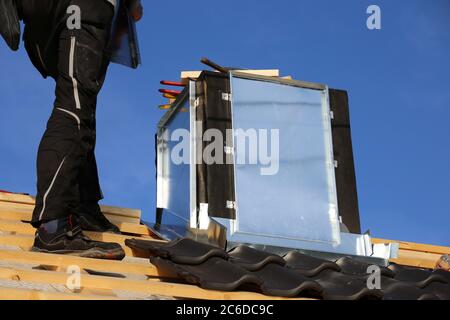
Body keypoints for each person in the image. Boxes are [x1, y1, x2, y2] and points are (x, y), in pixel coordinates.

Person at [0, 0, 143, 260]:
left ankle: (83, 206)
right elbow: (136, 12)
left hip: (52, 19)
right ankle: (53, 227)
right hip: (82, 8)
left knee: (81, 105)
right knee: (74, 109)